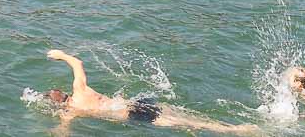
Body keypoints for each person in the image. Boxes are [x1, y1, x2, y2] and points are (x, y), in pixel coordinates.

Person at [36, 50, 260, 133]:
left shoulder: (72, 111)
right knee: (181, 115)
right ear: (63, 92)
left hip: (134, 116)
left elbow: (63, 132)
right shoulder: (81, 90)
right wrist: (61, 55)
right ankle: (230, 127)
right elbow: (77, 63)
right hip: (137, 103)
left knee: (191, 123)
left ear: (59, 104)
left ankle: (237, 130)